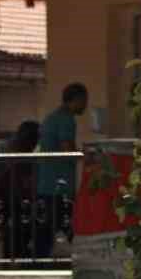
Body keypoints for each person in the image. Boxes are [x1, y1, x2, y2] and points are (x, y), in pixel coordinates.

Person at [35, 82, 87, 257]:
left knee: (48, 226)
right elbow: (67, 148)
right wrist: (86, 156)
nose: (85, 105)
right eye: (83, 100)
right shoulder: (66, 119)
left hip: (47, 182)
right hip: (59, 183)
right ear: (76, 99)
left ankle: (42, 259)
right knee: (62, 224)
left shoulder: (52, 117)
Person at [0, 120, 39, 260]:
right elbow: (15, 175)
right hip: (3, 194)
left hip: (1, 193)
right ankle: (15, 257)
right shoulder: (16, 147)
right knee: (14, 227)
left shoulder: (13, 145)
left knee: (13, 227)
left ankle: (13, 256)